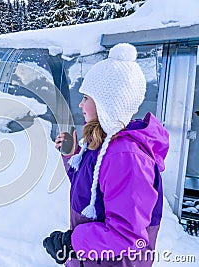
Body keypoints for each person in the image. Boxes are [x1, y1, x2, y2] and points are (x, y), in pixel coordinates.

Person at [43, 43, 169, 266]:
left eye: (86, 98)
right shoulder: (102, 144)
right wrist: (72, 155)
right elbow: (88, 191)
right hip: (91, 257)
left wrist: (72, 243)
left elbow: (126, 236)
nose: (80, 104)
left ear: (107, 104)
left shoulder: (125, 156)